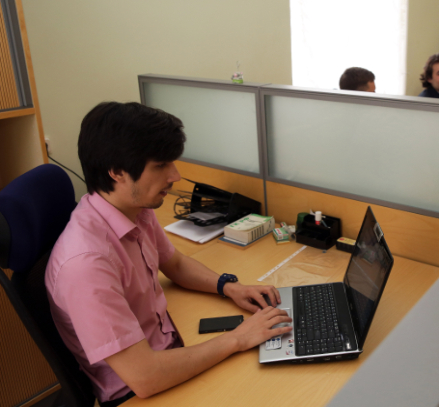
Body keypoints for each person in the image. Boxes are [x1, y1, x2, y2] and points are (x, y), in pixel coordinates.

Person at [45, 102, 292, 406]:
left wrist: (230, 287)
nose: (175, 175)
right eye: (161, 165)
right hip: (140, 389)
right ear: (118, 172)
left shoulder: (135, 208)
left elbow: (174, 263)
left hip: (170, 346)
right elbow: (145, 377)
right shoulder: (85, 264)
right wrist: (239, 338)